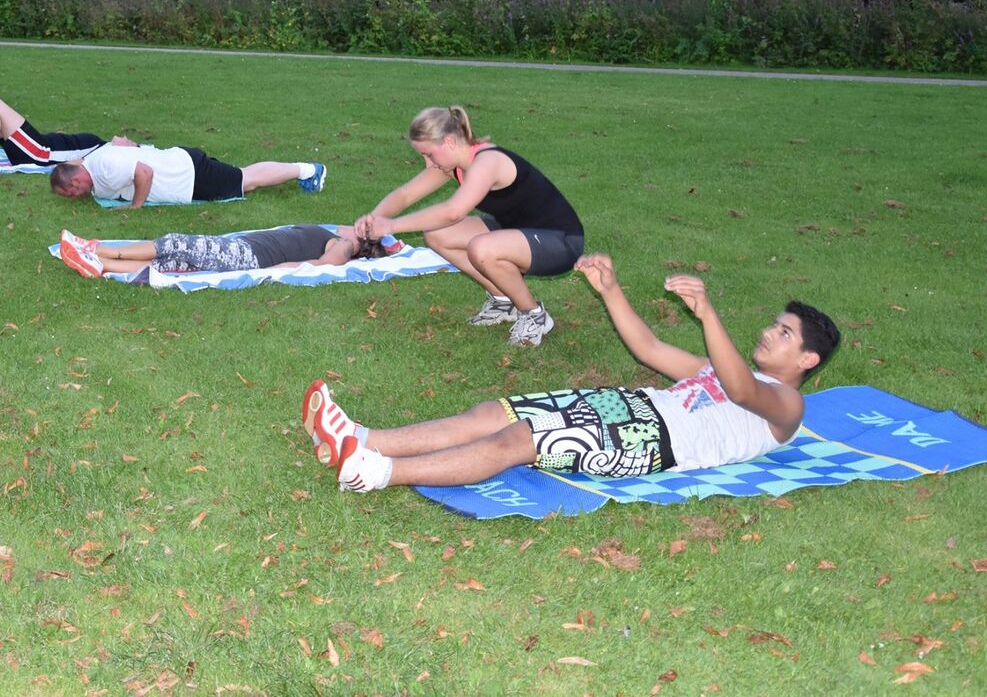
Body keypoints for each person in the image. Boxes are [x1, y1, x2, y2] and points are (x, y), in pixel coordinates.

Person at [302, 254, 840, 494]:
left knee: (518, 439)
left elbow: (742, 390)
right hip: (635, 408)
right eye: (775, 324)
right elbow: (649, 348)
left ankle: (376, 473)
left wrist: (708, 314)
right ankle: (360, 438)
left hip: (653, 442)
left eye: (784, 334)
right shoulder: (725, 368)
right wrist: (610, 289)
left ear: (806, 362)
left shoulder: (788, 408)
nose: (770, 333)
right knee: (494, 413)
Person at [354, 105, 584, 347]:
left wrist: (390, 226)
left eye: (429, 154)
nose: (426, 162)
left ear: (450, 142)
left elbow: (453, 211)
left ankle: (534, 315)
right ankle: (503, 300)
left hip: (560, 241)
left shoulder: (488, 162)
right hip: (519, 231)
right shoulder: (453, 164)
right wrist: (374, 219)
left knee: (482, 249)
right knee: (437, 235)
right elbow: (404, 195)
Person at [57, 224, 392, 277]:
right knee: (171, 264)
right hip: (248, 254)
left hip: (248, 256)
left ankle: (98, 249)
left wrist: (270, 271)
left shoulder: (347, 244)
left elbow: (321, 265)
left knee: (175, 243)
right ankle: (97, 265)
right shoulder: (335, 234)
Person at [50, 144, 327, 208]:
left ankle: (309, 170)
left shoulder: (105, 165)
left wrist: (135, 209)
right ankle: (305, 170)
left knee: (247, 180)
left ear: (75, 181)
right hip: (184, 167)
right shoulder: (91, 162)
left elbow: (143, 173)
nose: (75, 197)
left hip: (188, 174)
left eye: (71, 192)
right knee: (245, 177)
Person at [0, 96, 132, 170]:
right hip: (39, 145)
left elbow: (80, 164)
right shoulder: (101, 144)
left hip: (39, 153)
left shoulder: (103, 152)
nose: (125, 137)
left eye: (129, 141)